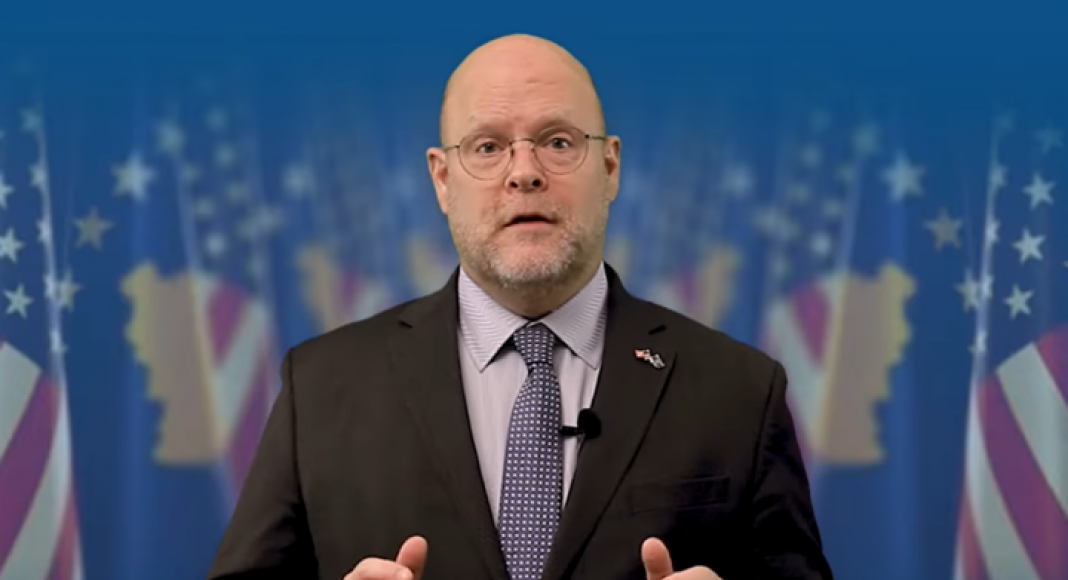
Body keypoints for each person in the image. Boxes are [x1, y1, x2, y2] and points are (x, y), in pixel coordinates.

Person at [206, 33, 833, 580]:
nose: (524, 172)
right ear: (442, 180)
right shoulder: (320, 386)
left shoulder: (740, 392)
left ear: (610, 167)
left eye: (558, 142)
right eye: (487, 147)